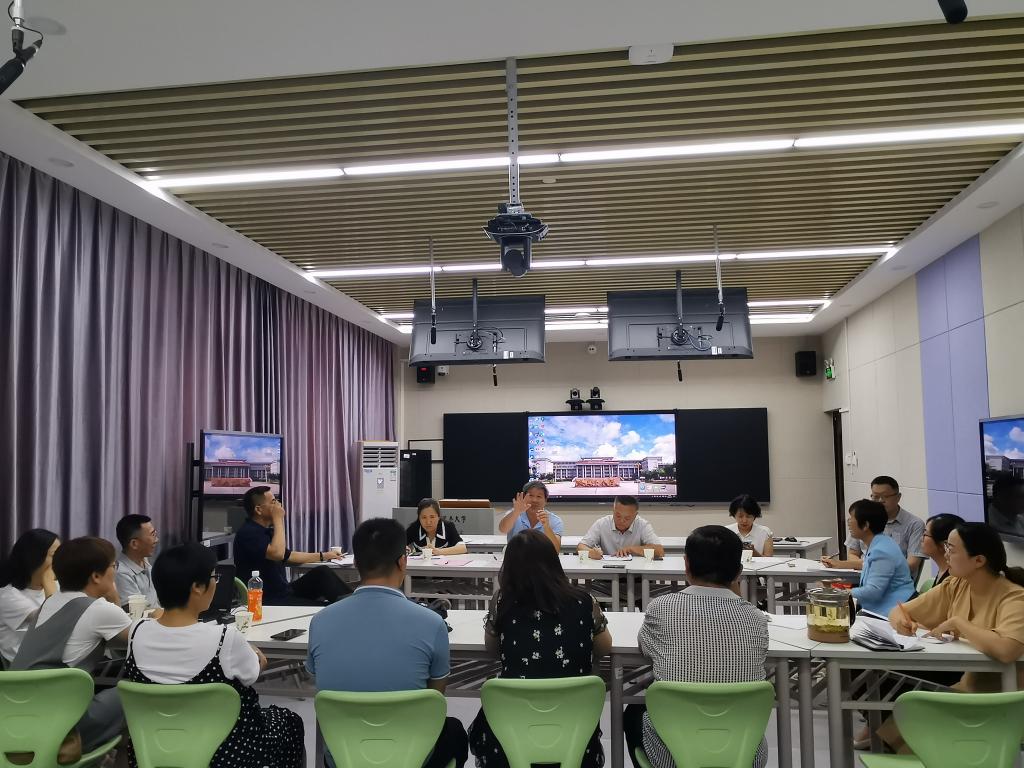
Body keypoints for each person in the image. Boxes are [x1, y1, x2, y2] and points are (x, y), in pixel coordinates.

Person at [124, 543, 303, 768]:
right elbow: (252, 674)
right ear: (197, 588)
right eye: (213, 577)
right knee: (289, 721)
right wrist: (256, 655)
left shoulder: (136, 632)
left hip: (156, 749)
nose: (215, 583)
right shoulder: (224, 639)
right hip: (226, 753)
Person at [307, 518, 468, 768]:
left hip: (343, 756)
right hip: (413, 754)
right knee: (454, 730)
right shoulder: (432, 623)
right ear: (403, 562)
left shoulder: (320, 622)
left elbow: (318, 679)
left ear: (356, 563)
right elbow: (434, 696)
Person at [624, 525, 769, 768]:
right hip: (742, 756)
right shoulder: (756, 618)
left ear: (686, 565)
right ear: (739, 572)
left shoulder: (661, 608)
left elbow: (645, 647)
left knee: (633, 712)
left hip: (674, 757)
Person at [470, 529, 611, 768]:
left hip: (511, 731)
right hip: (576, 728)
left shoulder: (502, 601)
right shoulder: (584, 601)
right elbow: (604, 646)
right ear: (553, 563)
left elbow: (492, 649)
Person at [11, 537, 131, 755]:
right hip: (60, 727)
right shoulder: (98, 609)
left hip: (14, 723)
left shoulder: (49, 603)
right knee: (136, 691)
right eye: (114, 566)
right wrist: (114, 595)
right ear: (96, 576)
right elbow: (141, 641)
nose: (115, 571)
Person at [889, 522, 1024, 692]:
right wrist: (902, 623)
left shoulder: (1014, 597)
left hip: (1001, 696)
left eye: (951, 550)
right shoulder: (956, 584)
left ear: (979, 560)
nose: (946, 555)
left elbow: (1007, 650)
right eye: (946, 547)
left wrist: (958, 623)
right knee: (887, 677)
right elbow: (899, 611)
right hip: (965, 687)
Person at [233, 486, 351, 606]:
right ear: (258, 510)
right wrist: (278, 519)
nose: (278, 505)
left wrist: (325, 555)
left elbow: (289, 555)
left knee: (322, 573)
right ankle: (348, 609)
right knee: (327, 608)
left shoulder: (264, 531)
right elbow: (277, 554)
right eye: (273, 502)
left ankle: (355, 605)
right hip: (267, 600)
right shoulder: (248, 533)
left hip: (283, 592)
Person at [825, 500, 915, 617]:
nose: (848, 522)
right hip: (887, 607)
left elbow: (873, 592)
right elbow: (867, 566)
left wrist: (838, 593)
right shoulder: (880, 543)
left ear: (865, 525)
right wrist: (839, 565)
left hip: (894, 611)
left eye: (852, 518)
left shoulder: (881, 551)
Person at [843, 476, 925, 575]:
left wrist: (868, 566)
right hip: (863, 576)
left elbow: (911, 564)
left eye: (885, 496)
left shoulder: (915, 524)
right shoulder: (863, 518)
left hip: (895, 579)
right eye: (876, 497)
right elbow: (852, 554)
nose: (880, 501)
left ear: (898, 497)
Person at [0, 529, 60, 664]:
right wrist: (48, 580)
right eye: (54, 555)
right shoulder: (7, 596)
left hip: (56, 660)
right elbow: (55, 620)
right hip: (28, 668)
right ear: (34, 557)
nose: (60, 561)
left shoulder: (57, 586)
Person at [578, 495, 664, 559]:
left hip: (636, 573)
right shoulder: (602, 524)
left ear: (635, 515)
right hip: (607, 572)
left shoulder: (642, 525)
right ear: (613, 510)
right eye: (618, 516)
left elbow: (660, 551)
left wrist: (632, 549)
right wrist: (591, 553)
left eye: (627, 518)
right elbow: (581, 546)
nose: (622, 521)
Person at [114, 514, 161, 612]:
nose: (157, 540)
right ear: (134, 544)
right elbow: (137, 613)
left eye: (155, 534)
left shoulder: (144, 560)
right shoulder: (121, 573)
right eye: (152, 535)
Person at [497, 480, 563, 550]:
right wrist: (516, 512)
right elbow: (503, 529)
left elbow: (556, 550)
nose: (534, 500)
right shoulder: (514, 513)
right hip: (515, 555)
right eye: (531, 495)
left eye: (539, 496)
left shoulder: (555, 520)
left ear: (545, 500)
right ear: (524, 497)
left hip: (542, 556)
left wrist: (547, 527)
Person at [919, 513, 964, 589]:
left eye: (925, 534)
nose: (921, 539)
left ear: (944, 543)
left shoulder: (954, 579)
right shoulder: (943, 571)